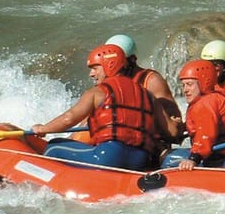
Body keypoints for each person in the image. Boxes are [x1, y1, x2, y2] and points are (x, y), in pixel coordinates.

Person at [30, 44, 176, 170]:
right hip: (140, 160)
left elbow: (69, 119)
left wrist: (43, 129)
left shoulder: (97, 92)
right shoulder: (148, 95)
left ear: (110, 65)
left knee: (54, 147)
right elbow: (172, 131)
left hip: (109, 156)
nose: (91, 74)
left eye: (95, 68)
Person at [161, 60, 225, 170]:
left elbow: (206, 134)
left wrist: (194, 158)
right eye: (183, 85)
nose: (185, 90)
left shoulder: (204, 104)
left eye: (190, 85)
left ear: (203, 82)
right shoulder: (217, 97)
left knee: (167, 159)